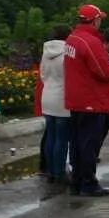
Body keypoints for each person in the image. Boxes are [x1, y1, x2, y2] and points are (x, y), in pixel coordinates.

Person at [64, 4, 109, 197]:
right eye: (100, 19)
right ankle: (88, 183)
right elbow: (103, 70)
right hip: (91, 101)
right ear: (95, 20)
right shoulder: (90, 41)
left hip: (76, 100)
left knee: (77, 144)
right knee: (89, 144)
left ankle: (77, 182)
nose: (100, 22)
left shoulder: (72, 38)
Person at [40, 26, 72, 185]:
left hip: (47, 96)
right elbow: (71, 76)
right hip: (62, 99)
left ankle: (51, 172)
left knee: (50, 137)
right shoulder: (67, 52)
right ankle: (59, 172)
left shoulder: (46, 52)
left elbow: (43, 75)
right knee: (61, 138)